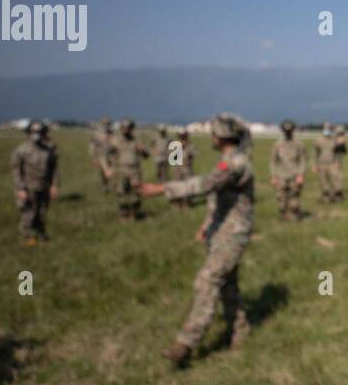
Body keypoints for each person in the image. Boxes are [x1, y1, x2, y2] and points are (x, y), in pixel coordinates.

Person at [141, 114, 254, 367]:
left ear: (219, 136)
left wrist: (162, 189)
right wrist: (208, 225)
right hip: (223, 230)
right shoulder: (229, 161)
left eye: (212, 134)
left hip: (232, 234)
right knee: (227, 285)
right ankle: (240, 331)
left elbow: (205, 184)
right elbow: (219, 198)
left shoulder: (234, 163)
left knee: (207, 280)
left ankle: (185, 343)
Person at [11, 121, 60, 243]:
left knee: (42, 213)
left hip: (44, 187)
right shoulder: (21, 150)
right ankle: (27, 236)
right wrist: (20, 188)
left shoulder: (48, 151)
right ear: (28, 133)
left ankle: (41, 234)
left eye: (39, 132)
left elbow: (54, 169)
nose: (36, 135)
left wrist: (54, 185)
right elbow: (16, 171)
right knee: (29, 214)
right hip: (28, 187)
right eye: (34, 132)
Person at [105, 118, 148, 221]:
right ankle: (123, 215)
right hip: (121, 171)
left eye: (128, 128)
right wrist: (108, 168)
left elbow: (146, 155)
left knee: (136, 194)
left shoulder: (136, 141)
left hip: (134, 171)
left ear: (131, 128)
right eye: (124, 127)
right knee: (121, 194)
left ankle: (133, 214)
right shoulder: (115, 141)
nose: (126, 130)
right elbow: (106, 155)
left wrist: (142, 150)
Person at [269, 120, 306, 221]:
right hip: (281, 175)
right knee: (281, 198)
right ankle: (283, 216)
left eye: (289, 130)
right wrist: (273, 176)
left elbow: (302, 160)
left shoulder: (298, 144)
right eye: (286, 131)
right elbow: (273, 161)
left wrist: (300, 175)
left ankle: (294, 216)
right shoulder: (277, 144)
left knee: (294, 199)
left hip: (294, 175)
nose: (288, 132)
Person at [168, 125, 196, 210]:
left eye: (184, 135)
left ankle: (187, 203)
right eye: (181, 135)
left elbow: (194, 154)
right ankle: (177, 204)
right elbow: (172, 159)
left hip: (187, 169)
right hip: (177, 170)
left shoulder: (190, 145)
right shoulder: (175, 145)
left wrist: (187, 147)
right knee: (176, 187)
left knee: (188, 187)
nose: (182, 137)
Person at [313, 123, 339, 203]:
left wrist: (337, 162)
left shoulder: (334, 140)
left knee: (334, 180)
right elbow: (315, 153)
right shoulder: (318, 140)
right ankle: (325, 197)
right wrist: (314, 164)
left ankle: (334, 196)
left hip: (332, 163)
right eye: (325, 128)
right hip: (321, 164)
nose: (327, 130)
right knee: (323, 181)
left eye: (329, 128)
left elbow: (337, 152)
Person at [90, 117, 112, 191]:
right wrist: (94, 157)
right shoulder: (97, 134)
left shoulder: (112, 133)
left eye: (108, 124)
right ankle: (104, 185)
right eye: (105, 123)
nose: (107, 125)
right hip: (101, 155)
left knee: (111, 170)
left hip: (111, 155)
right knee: (104, 170)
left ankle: (109, 185)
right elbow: (93, 146)